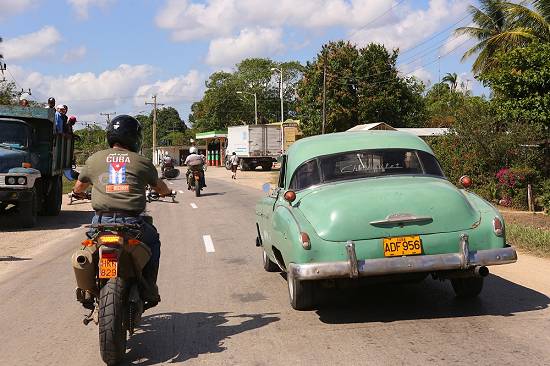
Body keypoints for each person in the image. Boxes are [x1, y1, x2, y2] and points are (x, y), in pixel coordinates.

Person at [71, 115, 173, 308]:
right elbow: (161, 188)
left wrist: (81, 194)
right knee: (154, 242)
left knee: (88, 248)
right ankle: (149, 288)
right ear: (136, 137)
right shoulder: (142, 162)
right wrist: (166, 193)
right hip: (133, 225)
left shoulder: (93, 160)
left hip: (101, 224)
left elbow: (78, 188)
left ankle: (86, 290)